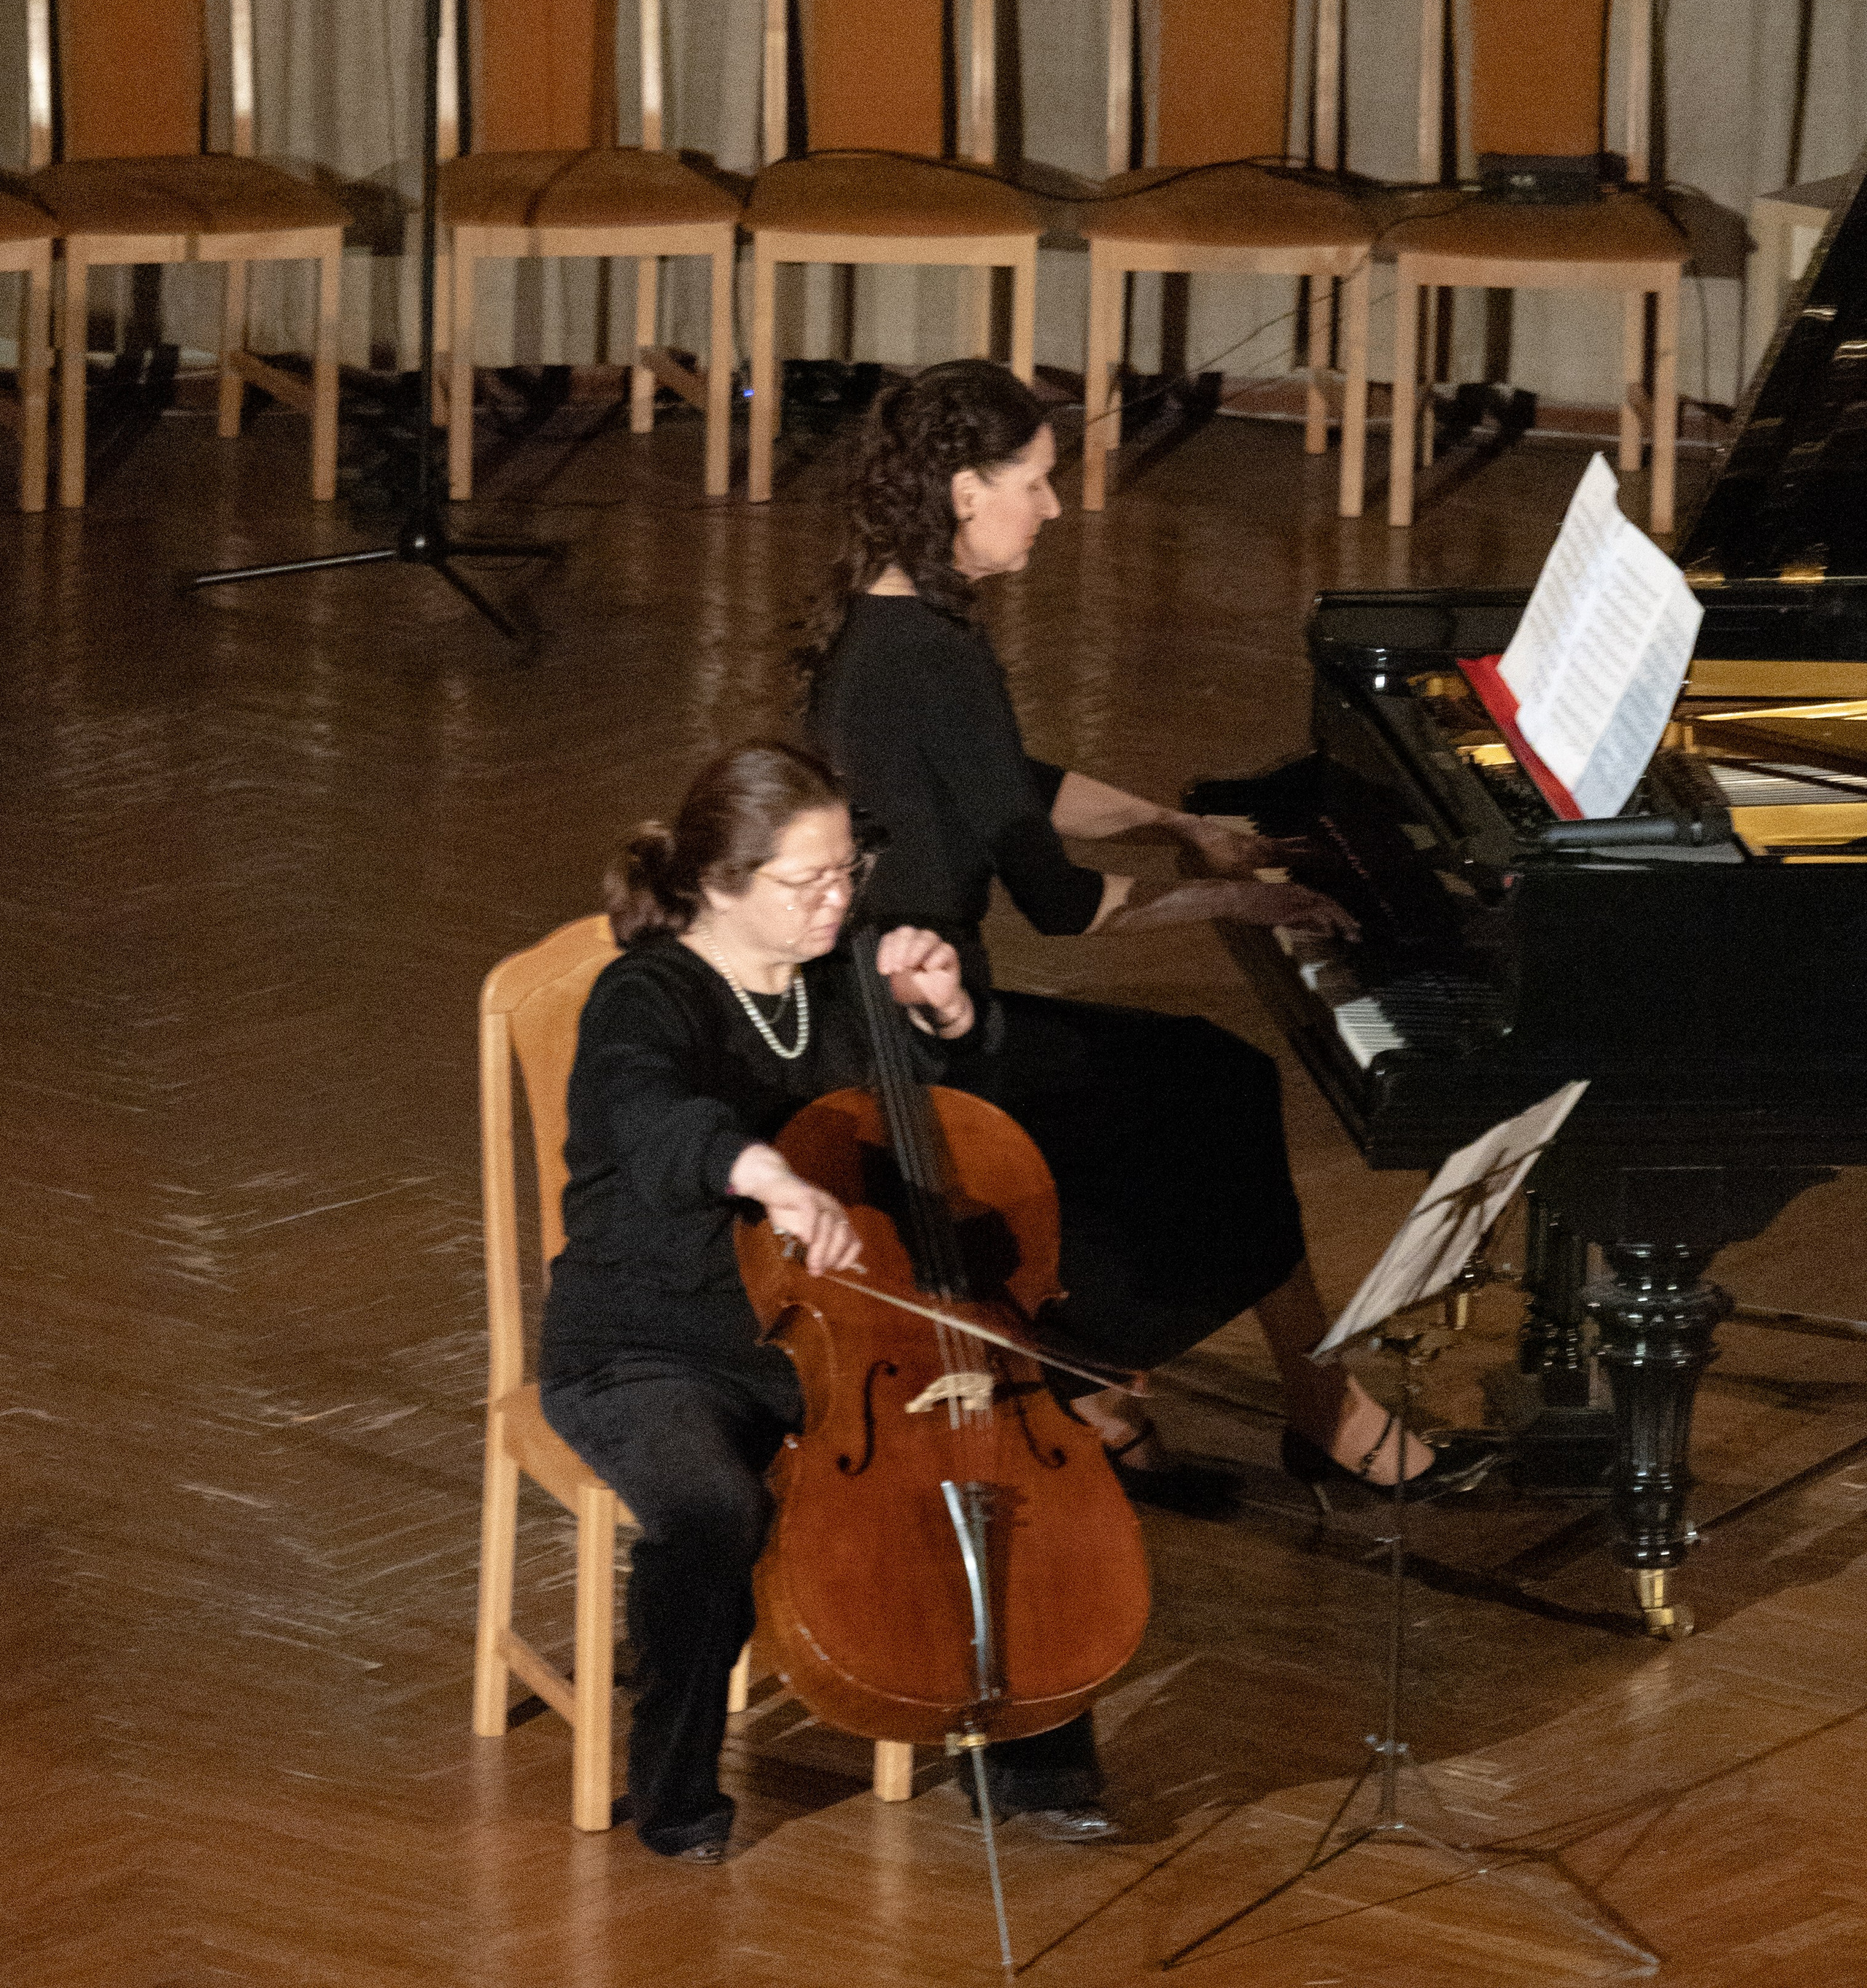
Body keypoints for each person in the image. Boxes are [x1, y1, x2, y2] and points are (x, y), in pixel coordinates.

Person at [804, 359, 1500, 1511]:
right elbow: (1064, 905)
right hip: (910, 1053)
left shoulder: (886, 625)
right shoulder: (936, 652)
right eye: (1036, 480)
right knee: (1213, 1084)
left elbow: (1004, 786)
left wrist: (1177, 825)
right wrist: (1240, 898)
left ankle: (1168, 1396)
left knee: (1195, 1082)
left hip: (883, 1014)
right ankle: (1159, 1390)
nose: (1057, 504)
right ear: (967, 490)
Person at [539, 739, 1119, 1860]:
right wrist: (759, 1169)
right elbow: (643, 1109)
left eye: (850, 870)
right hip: (653, 1341)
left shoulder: (844, 978)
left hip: (842, 1337)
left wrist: (943, 1017)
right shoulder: (647, 995)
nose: (841, 899)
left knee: (986, 1461)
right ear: (719, 884)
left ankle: (1033, 1753)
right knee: (713, 1511)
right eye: (809, 881)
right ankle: (675, 1791)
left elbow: (941, 1140)